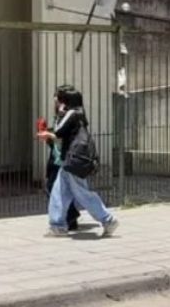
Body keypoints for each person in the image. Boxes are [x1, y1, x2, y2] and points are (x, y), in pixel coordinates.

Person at [37, 85, 118, 238]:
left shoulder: (72, 113)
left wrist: (47, 132)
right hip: (69, 161)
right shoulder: (78, 113)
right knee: (58, 192)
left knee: (82, 194)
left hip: (73, 160)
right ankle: (57, 226)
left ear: (64, 100)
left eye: (58, 97)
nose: (55, 100)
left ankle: (108, 220)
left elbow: (59, 132)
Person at [40, 100, 80, 231]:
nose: (56, 103)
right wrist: (48, 137)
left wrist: (49, 135)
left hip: (63, 161)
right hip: (56, 160)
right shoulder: (58, 117)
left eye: (59, 101)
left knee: (56, 189)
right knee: (57, 189)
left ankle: (70, 217)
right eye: (56, 101)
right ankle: (69, 218)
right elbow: (56, 140)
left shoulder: (70, 117)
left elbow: (63, 137)